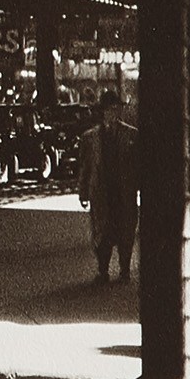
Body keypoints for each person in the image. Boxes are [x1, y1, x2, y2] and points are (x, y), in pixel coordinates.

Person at [77, 89, 139, 284]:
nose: (114, 113)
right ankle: (102, 271)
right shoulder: (90, 138)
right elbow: (86, 167)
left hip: (123, 192)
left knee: (126, 232)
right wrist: (83, 192)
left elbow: (138, 166)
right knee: (101, 233)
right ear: (103, 112)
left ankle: (124, 270)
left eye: (116, 108)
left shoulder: (131, 134)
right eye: (110, 109)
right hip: (101, 193)